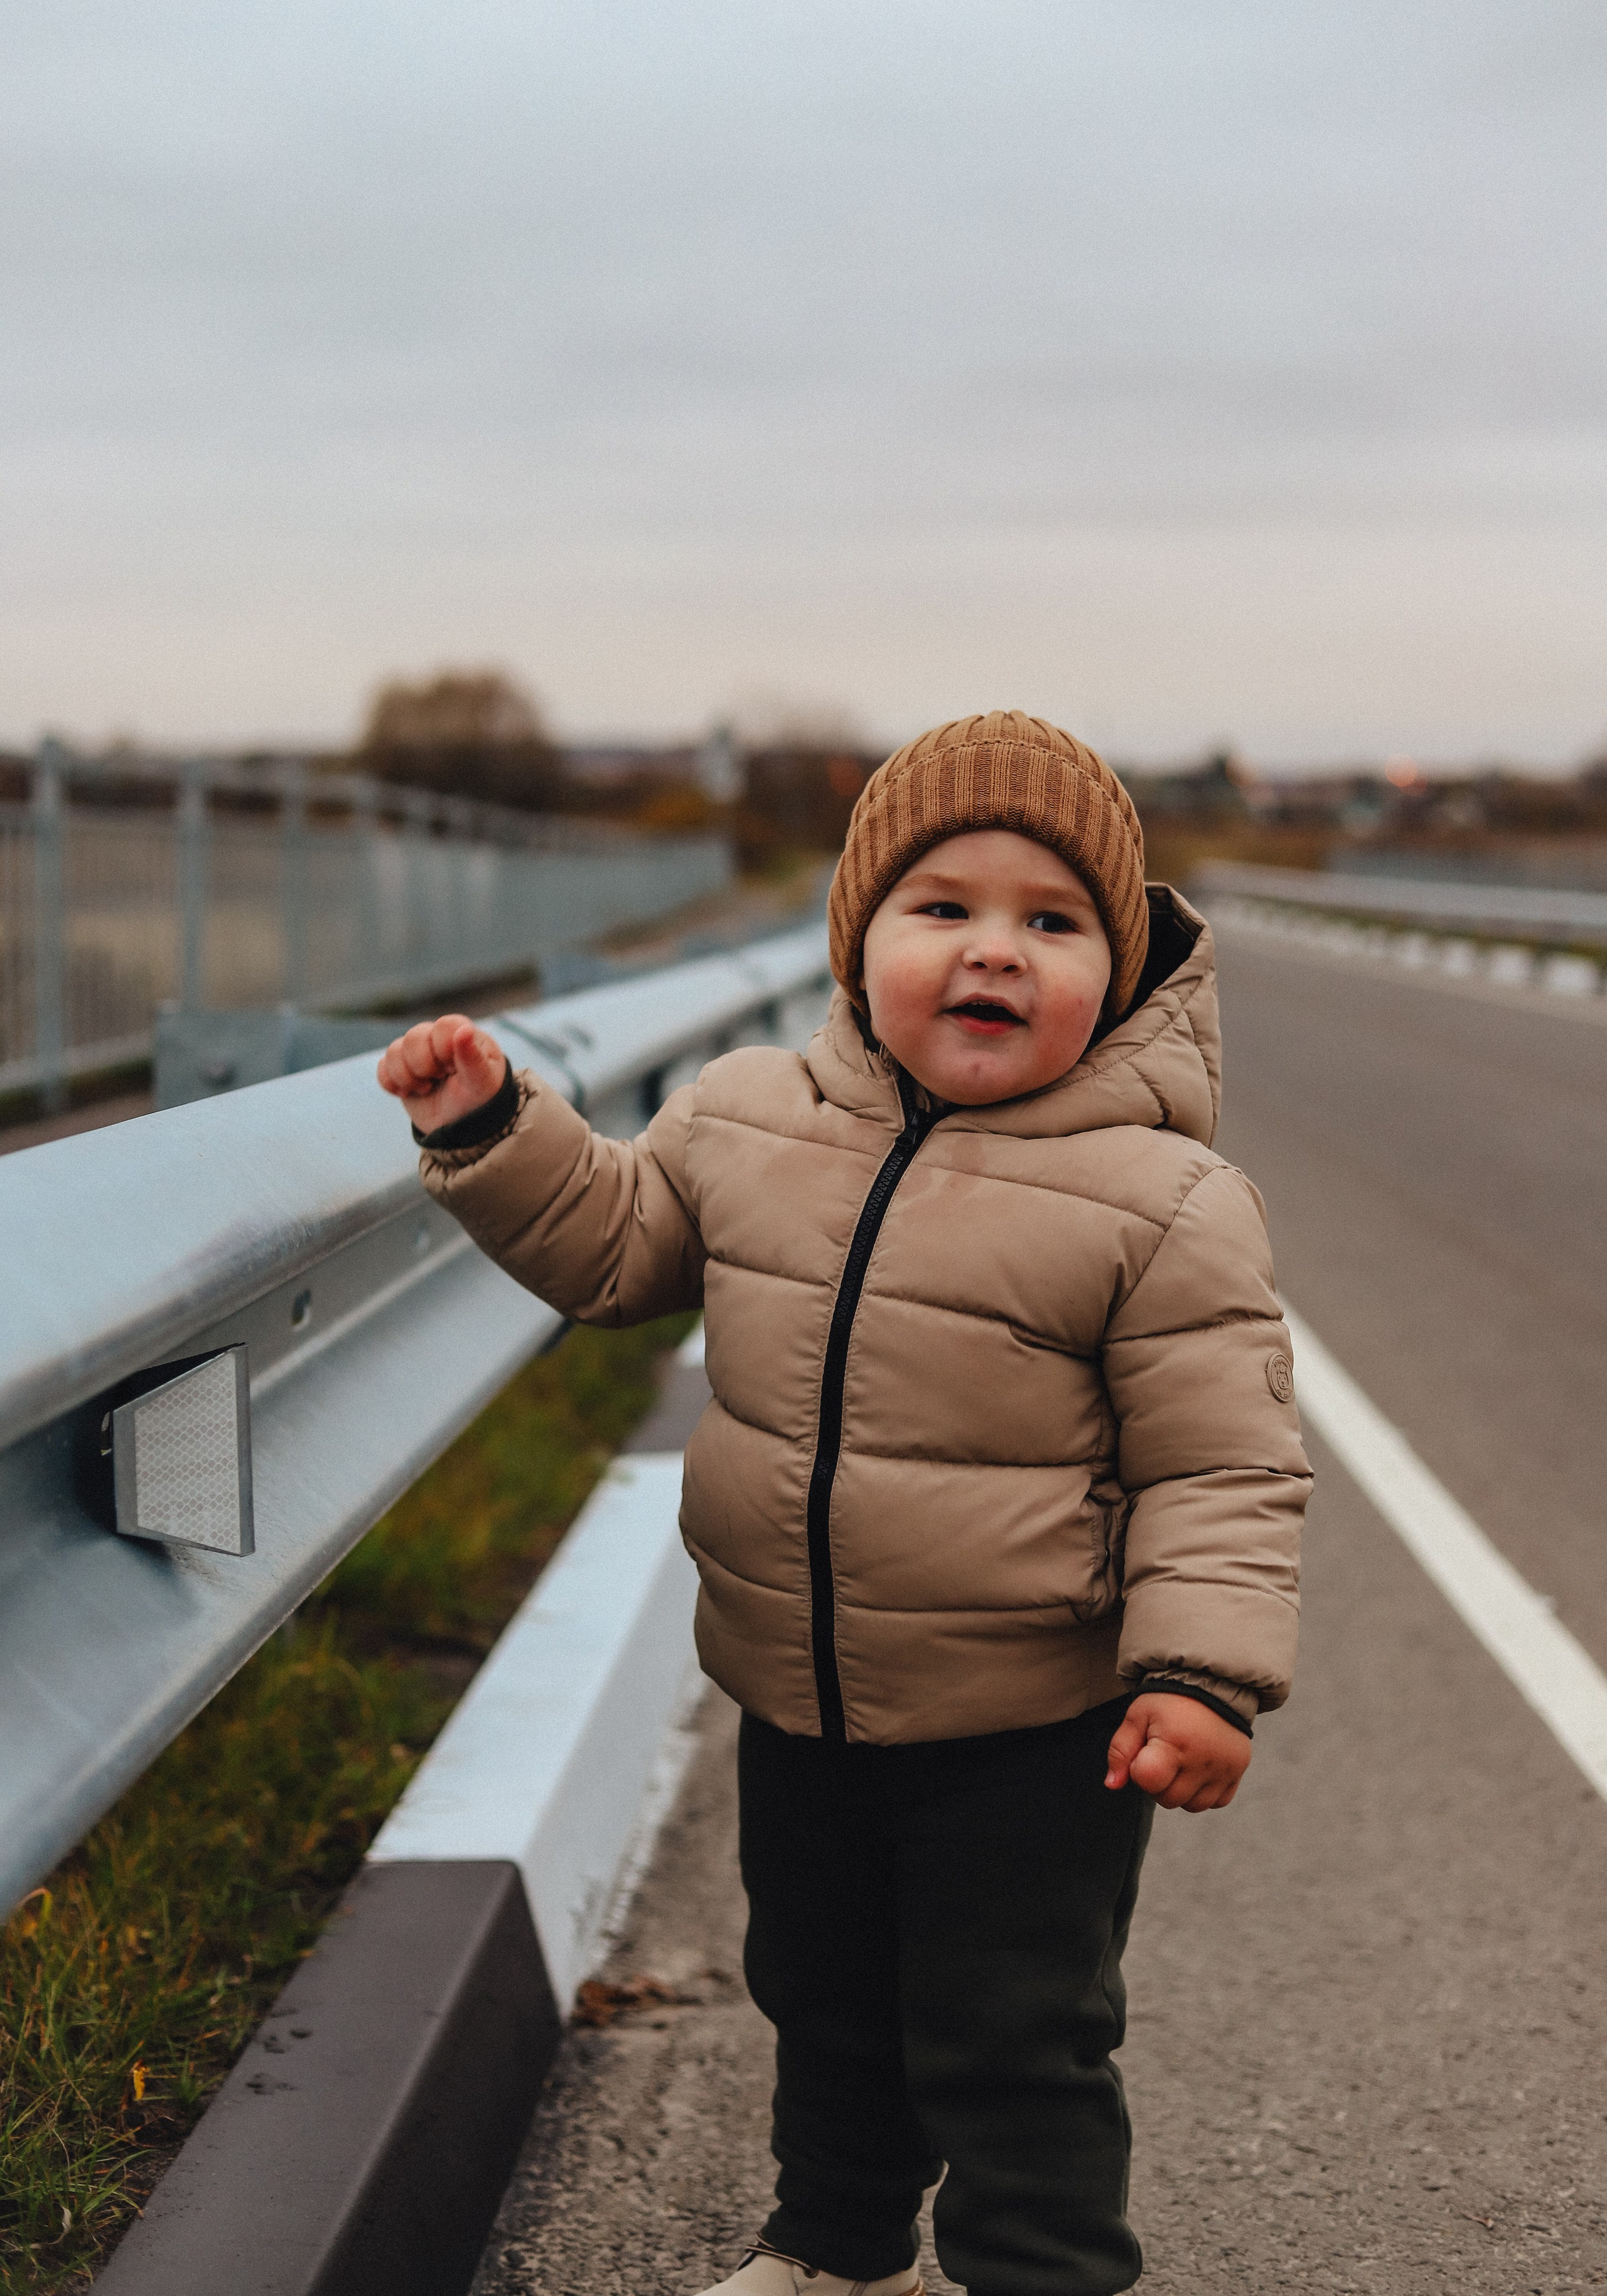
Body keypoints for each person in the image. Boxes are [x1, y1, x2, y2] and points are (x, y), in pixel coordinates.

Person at [377, 711, 1313, 2296]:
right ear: (856, 934)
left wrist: (1200, 1677)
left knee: (1014, 2034)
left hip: (1029, 1729)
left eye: (1053, 921)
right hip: (794, 1695)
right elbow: (614, 1252)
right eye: (942, 909)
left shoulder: (1161, 1202)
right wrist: (491, 1128)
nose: (994, 953)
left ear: (1125, 964)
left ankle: (1039, 2268)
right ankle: (835, 2250)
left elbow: (1220, 1464)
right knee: (819, 1992)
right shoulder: (745, 1120)